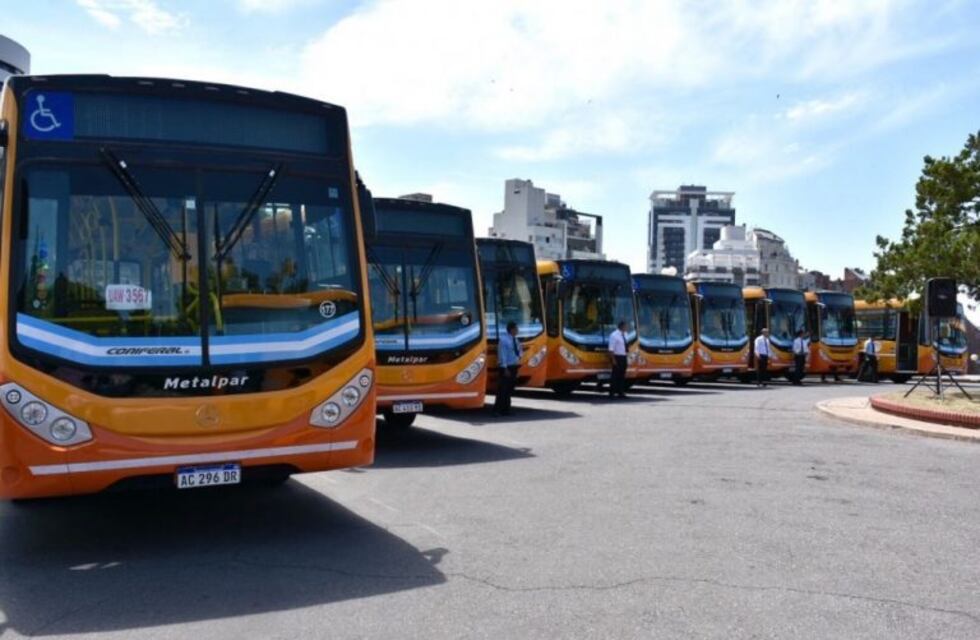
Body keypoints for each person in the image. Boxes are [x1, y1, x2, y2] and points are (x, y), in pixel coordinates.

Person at [493, 321, 522, 416]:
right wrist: (505, 368)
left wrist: (519, 357)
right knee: (502, 389)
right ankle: (497, 410)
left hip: (514, 367)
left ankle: (506, 409)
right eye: (516, 329)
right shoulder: (504, 340)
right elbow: (502, 355)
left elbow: (519, 351)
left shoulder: (516, 340)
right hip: (506, 367)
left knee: (509, 389)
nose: (518, 330)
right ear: (511, 329)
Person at [608, 320, 629, 399]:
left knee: (622, 375)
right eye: (625, 326)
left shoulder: (626, 334)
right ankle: (612, 393)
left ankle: (621, 392)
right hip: (617, 357)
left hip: (624, 356)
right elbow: (611, 349)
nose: (627, 327)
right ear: (622, 326)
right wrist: (613, 360)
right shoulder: (614, 335)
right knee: (615, 376)